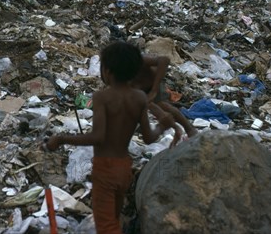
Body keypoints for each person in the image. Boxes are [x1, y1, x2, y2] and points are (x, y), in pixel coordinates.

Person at [45, 41, 181, 234]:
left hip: (105, 169)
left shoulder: (102, 97)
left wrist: (62, 139)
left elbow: (98, 136)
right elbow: (150, 138)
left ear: (107, 71)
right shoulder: (139, 98)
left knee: (106, 226)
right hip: (125, 168)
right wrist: (161, 125)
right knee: (114, 219)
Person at [131, 55, 198, 138]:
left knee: (163, 105)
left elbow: (164, 60)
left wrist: (154, 90)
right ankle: (141, 127)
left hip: (153, 83)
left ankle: (190, 129)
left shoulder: (137, 60)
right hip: (138, 89)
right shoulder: (115, 73)